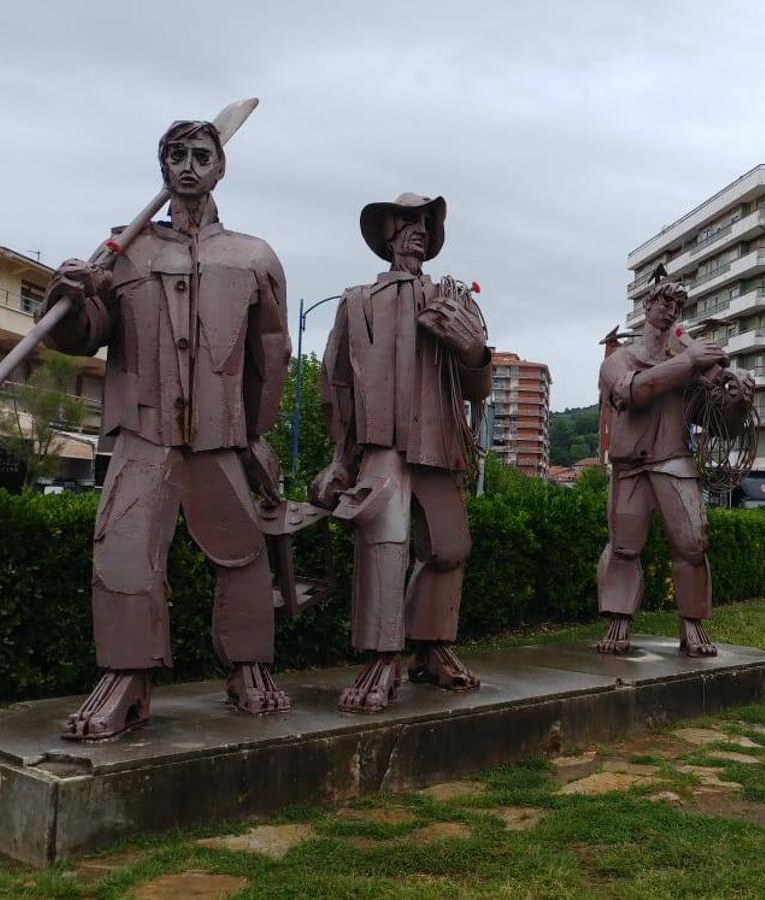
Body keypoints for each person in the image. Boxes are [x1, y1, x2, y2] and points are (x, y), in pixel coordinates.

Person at [42, 120, 291, 740]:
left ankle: (248, 666)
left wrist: (257, 433)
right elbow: (83, 335)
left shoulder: (254, 256)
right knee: (123, 553)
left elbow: (272, 353)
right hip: (144, 434)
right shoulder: (124, 254)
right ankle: (126, 677)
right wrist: (67, 295)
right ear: (162, 167)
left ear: (219, 168)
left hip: (219, 436)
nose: (187, 164)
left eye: (200, 154)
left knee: (243, 555)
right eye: (175, 154)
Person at [311, 193, 491, 713]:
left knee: (450, 547)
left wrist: (473, 349)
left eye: (426, 222)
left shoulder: (455, 300)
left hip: (439, 441)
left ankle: (432, 649)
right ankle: (380, 657)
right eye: (407, 221)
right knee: (384, 545)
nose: (417, 229)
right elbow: (337, 383)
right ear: (387, 232)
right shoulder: (357, 300)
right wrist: (341, 458)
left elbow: (477, 386)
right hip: (382, 442)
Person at [595, 275, 754, 656]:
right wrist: (687, 362)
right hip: (631, 465)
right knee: (624, 546)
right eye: (663, 301)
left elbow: (717, 424)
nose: (669, 310)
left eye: (677, 305)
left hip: (675, 462)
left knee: (693, 544)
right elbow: (630, 392)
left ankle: (692, 623)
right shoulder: (620, 359)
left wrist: (737, 401)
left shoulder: (690, 365)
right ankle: (618, 618)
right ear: (647, 306)